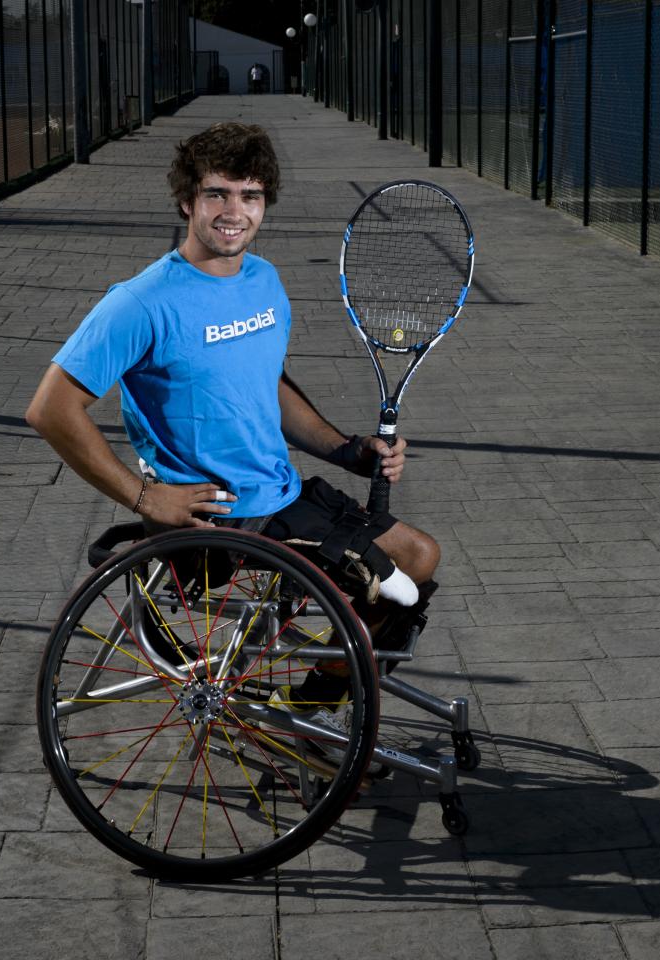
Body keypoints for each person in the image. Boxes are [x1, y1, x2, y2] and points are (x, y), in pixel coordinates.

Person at [25, 121, 440, 714]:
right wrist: (146, 498)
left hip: (280, 497)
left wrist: (348, 449)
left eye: (250, 195)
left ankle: (308, 711)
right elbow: (49, 408)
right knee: (403, 570)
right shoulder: (140, 302)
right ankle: (312, 724)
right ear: (187, 200)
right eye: (218, 193)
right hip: (221, 522)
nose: (234, 211)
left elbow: (265, 387)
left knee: (418, 559)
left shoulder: (263, 282)